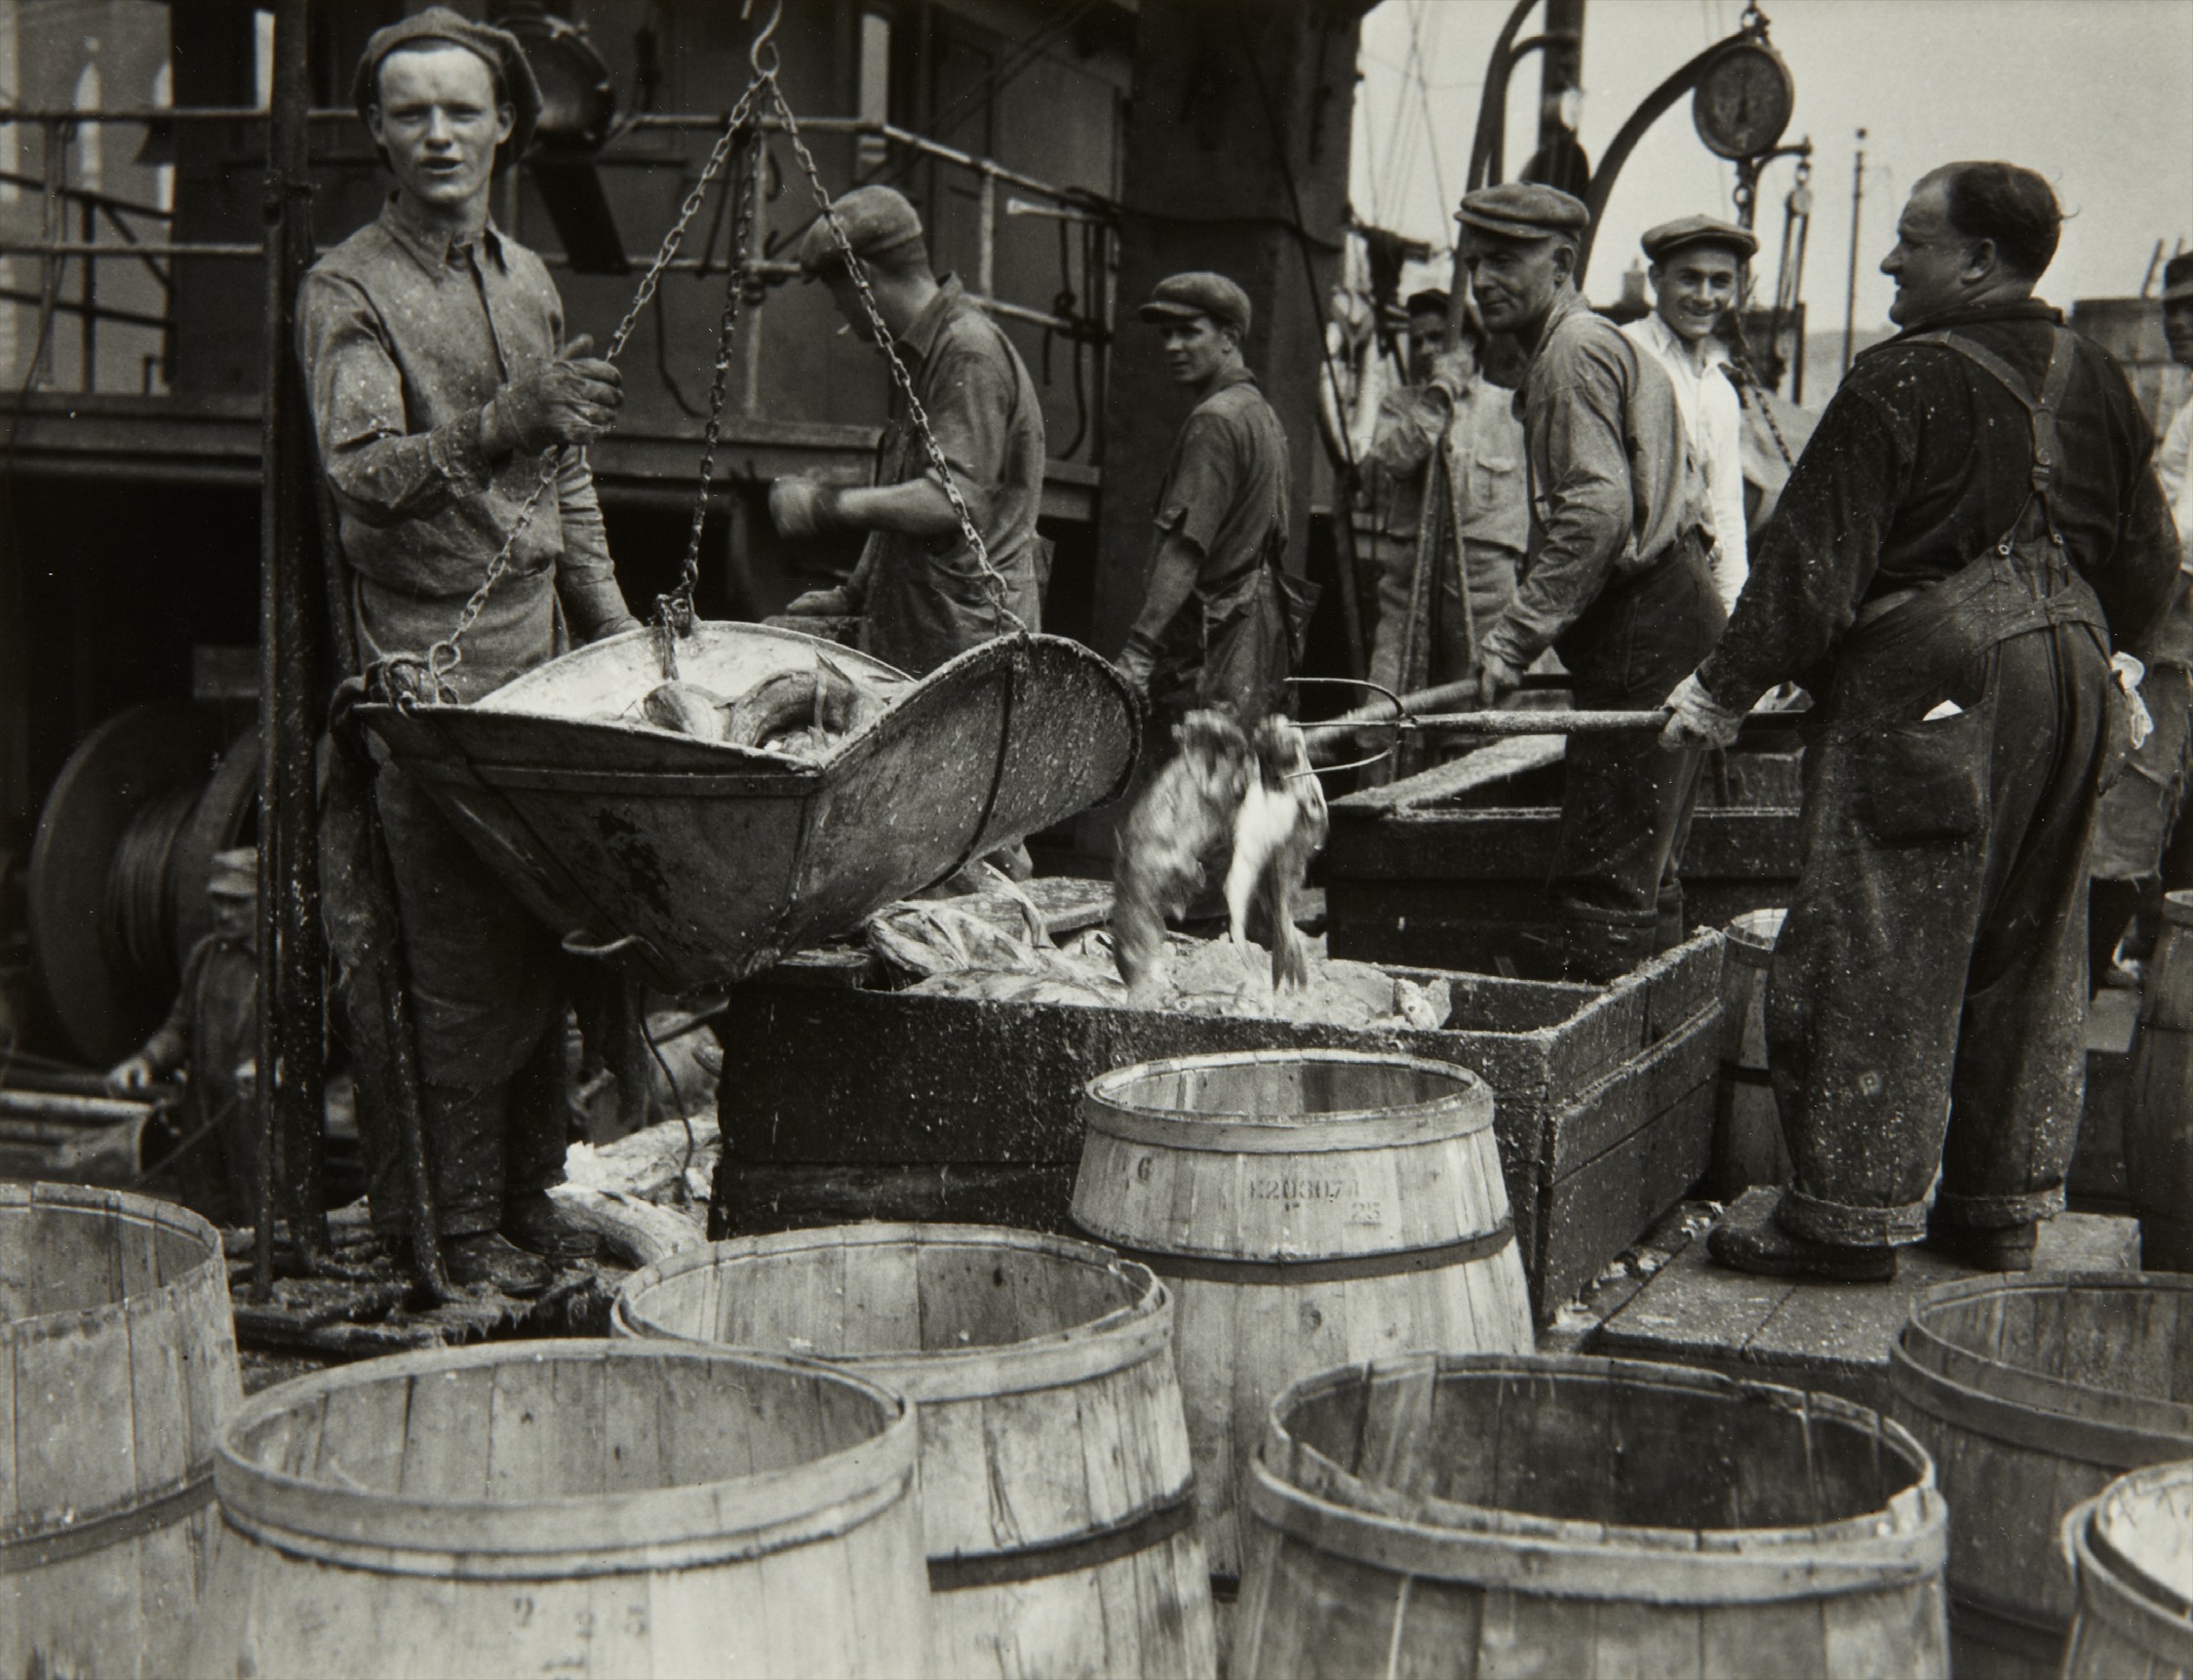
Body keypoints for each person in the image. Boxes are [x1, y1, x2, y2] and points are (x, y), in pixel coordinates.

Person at [1664, 162, 2181, 1281]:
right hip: (2078, 672)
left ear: (1978, 261)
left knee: (1877, 940)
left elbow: (1811, 562)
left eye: (1910, 241)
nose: (1893, 261)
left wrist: (1717, 691)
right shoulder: (2096, 375)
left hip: (1932, 677)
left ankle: (1843, 1220)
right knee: (2029, 943)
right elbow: (2148, 559)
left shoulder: (1896, 380)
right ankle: (1995, 1211)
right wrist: (2114, 662)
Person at [301, 9, 638, 1294]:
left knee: (546, 948)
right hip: (429, 681)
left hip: (544, 669)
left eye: (460, 110)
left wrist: (620, 634)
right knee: (451, 970)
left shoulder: (527, 281)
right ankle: (445, 1231)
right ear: (377, 134)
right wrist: (498, 421)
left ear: (508, 123)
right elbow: (363, 478)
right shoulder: (348, 290)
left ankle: (524, 1202)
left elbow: (570, 480)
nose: (436, 133)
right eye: (409, 112)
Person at [1456, 183, 1725, 982]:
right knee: (1645, 869)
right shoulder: (1591, 345)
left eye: (1505, 260)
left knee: (1605, 875)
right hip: (1668, 615)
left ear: (1563, 262)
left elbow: (1597, 511)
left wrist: (1512, 637)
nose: (1482, 281)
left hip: (1645, 623)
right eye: (1474, 263)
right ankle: (1659, 1060)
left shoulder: (1571, 355)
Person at [770, 185, 1045, 677]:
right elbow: (904, 492)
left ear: (865, 279)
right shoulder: (918, 356)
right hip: (929, 636)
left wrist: (825, 505)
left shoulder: (966, 354)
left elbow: (950, 501)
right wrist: (853, 593)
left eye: (839, 299)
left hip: (969, 650)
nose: (841, 316)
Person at [1116, 271, 1299, 729]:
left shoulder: (1215, 421)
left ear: (1229, 338)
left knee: (1186, 789)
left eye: (1188, 332)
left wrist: (1139, 650)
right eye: (1166, 334)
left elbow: (1185, 546)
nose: (1172, 346)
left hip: (1205, 654)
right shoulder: (1262, 416)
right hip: (1249, 648)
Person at [2091, 250, 2193, 978]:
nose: (2179, 324)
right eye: (2172, 309)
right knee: (2138, 790)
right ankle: (2119, 957)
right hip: (2171, 613)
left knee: (2147, 786)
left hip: (2180, 617)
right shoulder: (2187, 403)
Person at [1363, 291, 1530, 710]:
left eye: (1437, 338)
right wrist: (1438, 393)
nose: (1423, 350)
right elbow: (1397, 459)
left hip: (1485, 580)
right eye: (1416, 340)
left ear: (1470, 343)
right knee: (1387, 695)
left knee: (1482, 700)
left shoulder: (1509, 409)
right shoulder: (1399, 405)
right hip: (1408, 572)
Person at [107, 849, 261, 1226]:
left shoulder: (286, 962)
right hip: (204, 1111)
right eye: (218, 901)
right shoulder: (205, 957)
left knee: (260, 1217)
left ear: (266, 899)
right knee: (203, 1215)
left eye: (238, 902)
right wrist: (146, 1061)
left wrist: (271, 1066)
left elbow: (316, 1044)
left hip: (260, 1120)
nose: (224, 913)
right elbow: (180, 1027)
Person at [1623, 215, 1755, 610]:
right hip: (1631, 587)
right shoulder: (1625, 353)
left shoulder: (1719, 387)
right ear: (1655, 277)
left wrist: (1733, 611)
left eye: (1720, 281)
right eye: (1689, 278)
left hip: (1692, 587)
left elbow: (1728, 506)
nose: (1704, 296)